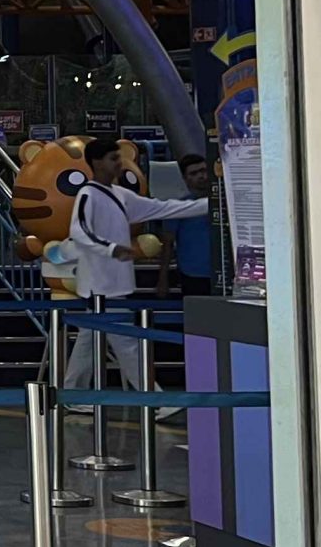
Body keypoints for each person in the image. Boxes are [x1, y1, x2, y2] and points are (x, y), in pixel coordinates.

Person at [62, 138, 209, 390]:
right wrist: (111, 248)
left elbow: (163, 208)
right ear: (97, 162)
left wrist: (210, 204)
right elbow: (80, 231)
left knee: (89, 343)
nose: (119, 163)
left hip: (112, 284)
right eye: (113, 158)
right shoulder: (88, 195)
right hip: (101, 285)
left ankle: (72, 393)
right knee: (126, 344)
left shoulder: (120, 194)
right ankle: (154, 399)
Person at [168, 154, 217, 296]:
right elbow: (168, 243)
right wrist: (162, 279)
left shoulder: (225, 203)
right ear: (185, 179)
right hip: (192, 274)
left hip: (224, 272)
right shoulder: (178, 208)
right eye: (194, 173)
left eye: (203, 171)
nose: (201, 176)